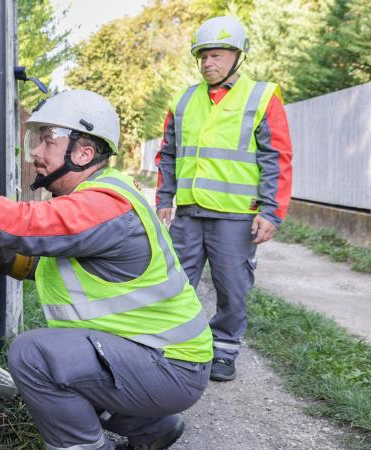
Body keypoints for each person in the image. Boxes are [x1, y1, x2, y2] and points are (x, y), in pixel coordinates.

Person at [0, 90, 212, 450]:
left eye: (47, 141)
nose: (35, 152)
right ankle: (153, 429)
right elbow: (57, 268)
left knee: (34, 357)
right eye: (36, 139)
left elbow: (21, 223)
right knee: (66, 365)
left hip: (169, 367)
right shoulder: (102, 197)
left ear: (84, 152)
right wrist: (2, 257)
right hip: (161, 359)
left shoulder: (103, 204)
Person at [155, 16, 293, 382]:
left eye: (216, 55)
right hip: (187, 213)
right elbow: (168, 153)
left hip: (236, 216)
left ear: (237, 56)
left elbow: (276, 157)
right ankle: (177, 346)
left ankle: (225, 349)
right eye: (203, 57)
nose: (207, 64)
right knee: (176, 283)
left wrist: (271, 211)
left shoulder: (262, 97)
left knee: (232, 287)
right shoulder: (183, 99)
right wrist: (165, 195)